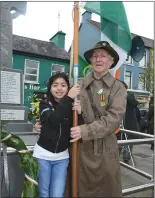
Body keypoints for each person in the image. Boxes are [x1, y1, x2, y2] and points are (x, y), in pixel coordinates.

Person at [35, 41, 127, 197]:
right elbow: (59, 105)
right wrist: (42, 124)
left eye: (103, 56)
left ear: (111, 62)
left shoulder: (118, 88)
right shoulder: (79, 84)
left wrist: (85, 130)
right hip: (79, 151)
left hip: (104, 151)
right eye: (95, 56)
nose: (98, 59)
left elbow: (114, 118)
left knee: (104, 191)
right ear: (90, 61)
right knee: (76, 189)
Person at [33, 72, 81, 197]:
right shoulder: (45, 104)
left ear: (68, 88)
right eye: (55, 85)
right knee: (43, 193)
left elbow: (79, 128)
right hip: (43, 156)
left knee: (57, 194)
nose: (59, 88)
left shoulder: (72, 106)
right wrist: (68, 98)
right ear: (50, 88)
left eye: (63, 85)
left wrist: (80, 113)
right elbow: (52, 122)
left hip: (62, 157)